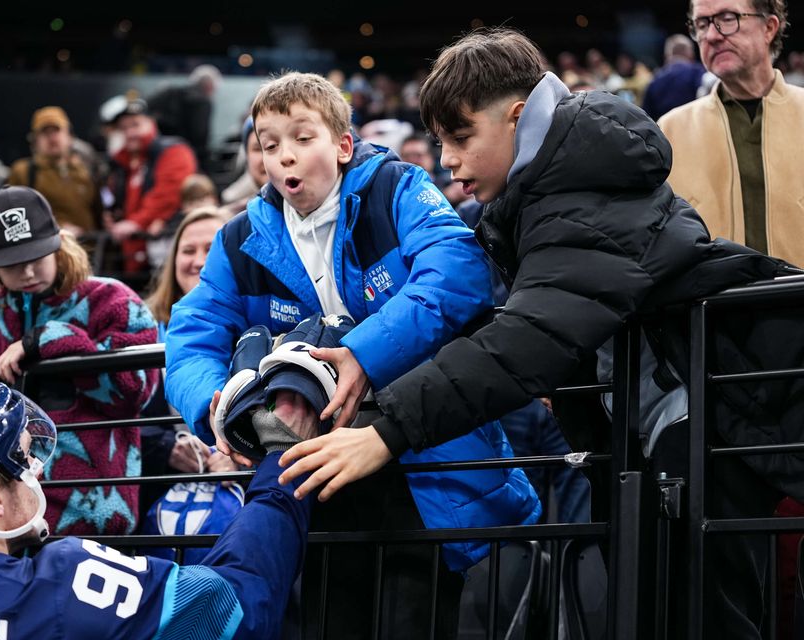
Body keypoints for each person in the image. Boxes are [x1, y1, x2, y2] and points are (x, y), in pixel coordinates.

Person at [277, 28, 795, 639]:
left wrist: (388, 430)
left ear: (518, 118)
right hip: (674, 425)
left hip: (716, 418)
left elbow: (528, 335)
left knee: (701, 617)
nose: (447, 160)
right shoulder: (555, 188)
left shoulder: (580, 193)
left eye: (461, 137)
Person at [165, 70, 539, 638]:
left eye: (301, 138)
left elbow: (457, 274)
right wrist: (213, 403)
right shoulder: (238, 237)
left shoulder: (399, 188)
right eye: (269, 145)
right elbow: (193, 332)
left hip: (424, 460)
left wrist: (360, 355)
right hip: (314, 479)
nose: (284, 156)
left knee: (418, 618)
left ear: (342, 146)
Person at [0, 375, 316, 640]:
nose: (36, 470)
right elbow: (237, 605)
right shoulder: (60, 582)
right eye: (20, 459)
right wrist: (281, 460)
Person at [0, 186, 158, 537]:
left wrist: (50, 340)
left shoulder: (113, 301)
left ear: (59, 244)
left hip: (94, 515)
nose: (26, 273)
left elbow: (137, 392)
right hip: (0, 521)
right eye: (11, 264)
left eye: (36, 257)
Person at [659, 0, 804, 268]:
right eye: (702, 24)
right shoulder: (669, 131)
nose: (712, 35)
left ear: (769, 28)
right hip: (710, 307)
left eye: (728, 18)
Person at [141, 207, 235, 511]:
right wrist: (165, 446)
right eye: (188, 250)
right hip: (165, 489)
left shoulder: (261, 317)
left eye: (211, 249)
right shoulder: (142, 325)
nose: (198, 261)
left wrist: (238, 450)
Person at [104, 98, 198, 273]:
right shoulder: (123, 164)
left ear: (151, 123)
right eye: (124, 128)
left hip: (163, 253)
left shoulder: (173, 151)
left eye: (135, 125)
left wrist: (135, 223)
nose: (130, 132)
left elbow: (167, 196)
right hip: (132, 256)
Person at [8, 106, 101, 236]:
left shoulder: (85, 170)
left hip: (91, 249)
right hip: (48, 251)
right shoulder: (24, 171)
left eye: (56, 131)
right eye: (45, 132)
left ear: (70, 136)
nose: (52, 137)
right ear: (35, 140)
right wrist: (54, 228)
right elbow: (12, 215)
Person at [148, 64, 222, 169]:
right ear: (210, 86)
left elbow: (146, 110)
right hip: (188, 158)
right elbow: (200, 134)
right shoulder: (203, 103)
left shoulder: (169, 93)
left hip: (158, 154)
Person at [641, 34, 708, 120]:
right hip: (695, 127)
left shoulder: (654, 80)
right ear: (690, 53)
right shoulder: (698, 73)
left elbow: (646, 117)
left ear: (667, 55)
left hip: (663, 130)